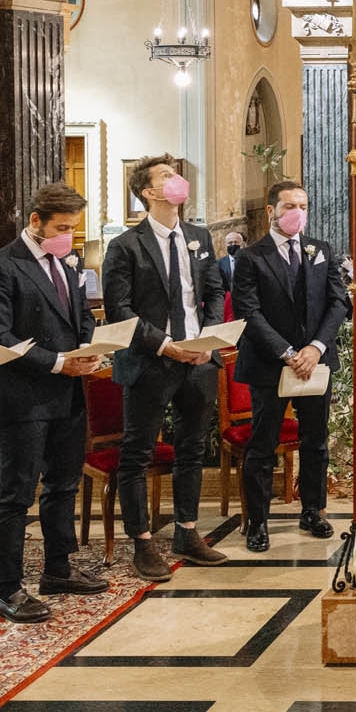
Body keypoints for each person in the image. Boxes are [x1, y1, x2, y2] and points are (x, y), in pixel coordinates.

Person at [0, 182, 109, 622]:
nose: (69, 235)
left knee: (63, 487)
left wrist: (91, 349)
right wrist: (57, 363)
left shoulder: (65, 264)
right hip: (21, 400)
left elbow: (81, 317)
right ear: (35, 221)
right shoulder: (1, 268)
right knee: (16, 495)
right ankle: (9, 588)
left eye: (73, 227)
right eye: (62, 227)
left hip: (67, 395)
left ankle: (58, 569)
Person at [101, 154, 230, 581]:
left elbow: (212, 292)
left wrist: (206, 341)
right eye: (166, 176)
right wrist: (165, 345)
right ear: (148, 192)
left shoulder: (198, 236)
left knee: (192, 448)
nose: (176, 181)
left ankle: (187, 533)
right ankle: (142, 542)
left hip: (198, 361)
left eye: (176, 174)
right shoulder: (125, 246)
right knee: (137, 453)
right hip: (149, 362)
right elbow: (119, 309)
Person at [231, 180, 350, 553]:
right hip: (270, 364)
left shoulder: (321, 250)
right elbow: (248, 311)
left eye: (303, 205)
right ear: (271, 212)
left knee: (315, 441)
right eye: (290, 206)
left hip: (315, 361)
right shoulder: (251, 257)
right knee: (262, 444)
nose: (298, 212)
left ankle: (313, 510)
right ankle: (258, 521)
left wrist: (315, 348)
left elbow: (338, 303)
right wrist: (286, 352)